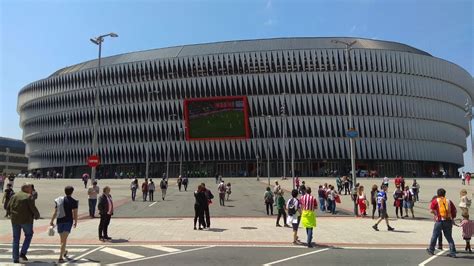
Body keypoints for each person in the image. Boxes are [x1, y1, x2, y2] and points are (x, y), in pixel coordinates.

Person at [7, 182, 40, 263]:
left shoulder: (14, 196)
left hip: (15, 220)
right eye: (30, 188)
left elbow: (8, 207)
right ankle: (22, 253)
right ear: (25, 188)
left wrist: (11, 214)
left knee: (16, 239)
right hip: (26, 220)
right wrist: (37, 216)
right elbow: (33, 208)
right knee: (29, 235)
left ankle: (15, 258)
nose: (31, 190)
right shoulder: (28, 196)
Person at [49, 186, 78, 263]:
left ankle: (64, 252)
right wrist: (76, 221)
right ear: (72, 192)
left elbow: (55, 212)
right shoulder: (74, 201)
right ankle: (60, 257)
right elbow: (75, 213)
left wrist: (52, 221)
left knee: (62, 240)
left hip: (59, 221)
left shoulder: (60, 200)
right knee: (63, 241)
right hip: (68, 221)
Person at [426, 188, 457, 257]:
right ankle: (453, 252)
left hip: (439, 221)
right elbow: (454, 211)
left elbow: (431, 210)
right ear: (444, 194)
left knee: (435, 235)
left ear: (437, 194)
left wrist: (436, 214)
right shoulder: (449, 201)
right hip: (448, 221)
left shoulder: (435, 201)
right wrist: (453, 218)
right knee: (449, 237)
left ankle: (431, 250)